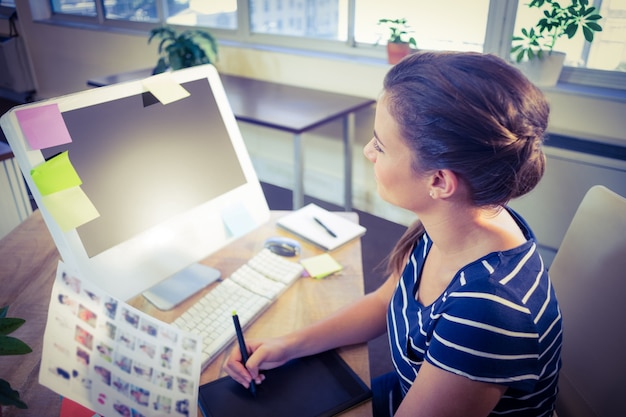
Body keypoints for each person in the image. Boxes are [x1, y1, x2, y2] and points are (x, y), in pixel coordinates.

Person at [225, 51, 562, 417]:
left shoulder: (487, 311)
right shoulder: (453, 222)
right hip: (404, 392)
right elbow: (386, 302)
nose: (369, 151)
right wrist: (288, 345)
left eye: (381, 146)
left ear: (439, 181)